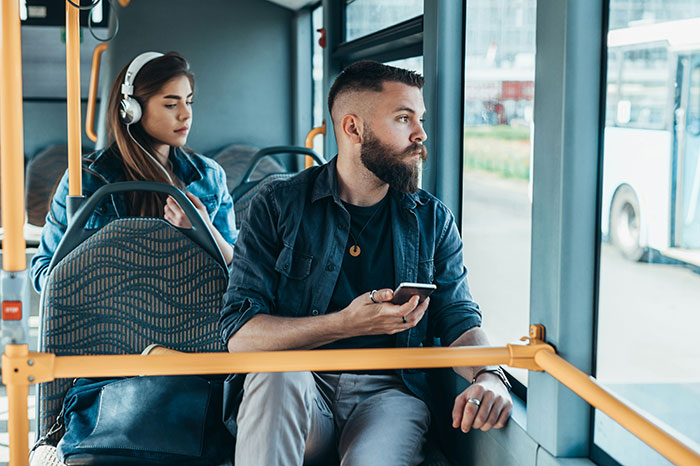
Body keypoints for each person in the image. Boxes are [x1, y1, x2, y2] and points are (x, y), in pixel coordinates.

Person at [219, 60, 513, 466]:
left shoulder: (432, 219)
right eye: (403, 118)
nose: (421, 134)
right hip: (301, 388)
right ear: (353, 128)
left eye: (420, 118)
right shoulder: (277, 204)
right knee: (275, 373)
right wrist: (346, 323)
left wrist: (491, 376)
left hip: (390, 395)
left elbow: (459, 319)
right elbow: (240, 335)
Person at [31, 52, 237, 293]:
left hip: (189, 321)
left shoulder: (209, 177)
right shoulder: (86, 180)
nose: (186, 114)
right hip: (104, 319)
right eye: (171, 104)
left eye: (188, 101)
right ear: (132, 110)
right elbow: (43, 271)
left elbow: (241, 274)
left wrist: (205, 232)